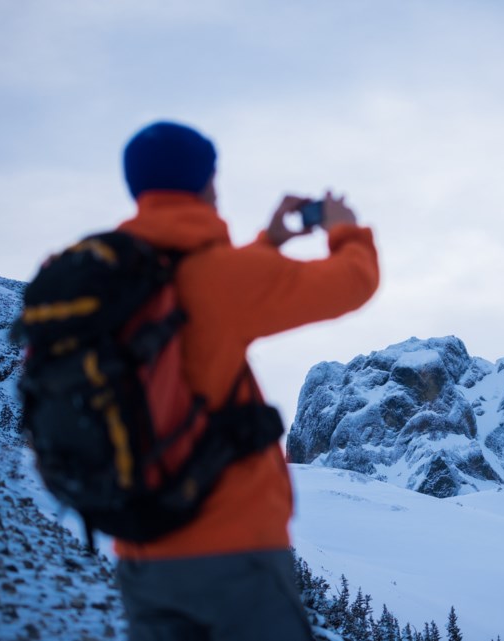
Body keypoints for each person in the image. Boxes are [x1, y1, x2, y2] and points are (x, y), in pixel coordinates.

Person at [112, 121, 380, 640]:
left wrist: (270, 241)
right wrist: (345, 228)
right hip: (233, 549)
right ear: (206, 183)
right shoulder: (214, 276)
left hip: (142, 554)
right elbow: (354, 282)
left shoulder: (110, 279)